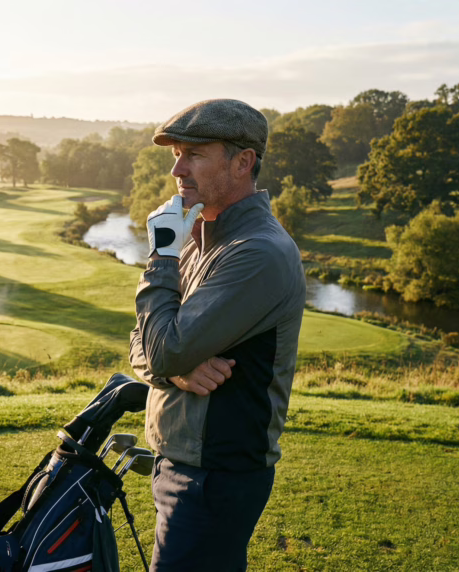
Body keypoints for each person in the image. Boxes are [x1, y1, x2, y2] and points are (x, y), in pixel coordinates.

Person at [128, 99, 306, 571]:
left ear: (243, 162)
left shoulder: (257, 251)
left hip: (215, 474)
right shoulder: (199, 237)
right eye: (176, 155)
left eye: (194, 154)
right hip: (182, 462)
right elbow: (143, 341)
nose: (177, 170)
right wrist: (175, 373)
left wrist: (161, 255)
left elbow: (161, 348)